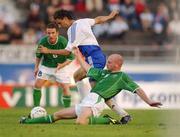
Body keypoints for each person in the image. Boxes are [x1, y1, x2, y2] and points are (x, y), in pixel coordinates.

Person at [20, 49, 162, 125]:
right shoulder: (104, 73)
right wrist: (78, 56)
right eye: (108, 61)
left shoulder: (122, 77)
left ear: (118, 64)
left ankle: (108, 120)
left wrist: (149, 102)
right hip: (88, 100)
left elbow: (138, 89)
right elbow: (87, 69)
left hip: (97, 101)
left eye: (110, 62)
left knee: (80, 122)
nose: (107, 63)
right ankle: (27, 121)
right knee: (56, 116)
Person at [38, 10, 131, 123]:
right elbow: (98, 20)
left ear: (65, 18)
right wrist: (110, 16)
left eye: (59, 23)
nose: (59, 26)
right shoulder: (83, 21)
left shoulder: (72, 30)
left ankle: (122, 114)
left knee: (98, 90)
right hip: (95, 57)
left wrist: (48, 51)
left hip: (94, 59)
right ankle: (84, 104)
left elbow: (67, 52)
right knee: (77, 76)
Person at [33, 22, 74, 108]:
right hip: (46, 67)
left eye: (53, 33)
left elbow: (71, 57)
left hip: (60, 68)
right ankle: (35, 108)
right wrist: (36, 67)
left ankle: (67, 111)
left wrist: (62, 65)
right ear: (46, 33)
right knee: (37, 85)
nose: (50, 35)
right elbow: (38, 56)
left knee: (66, 88)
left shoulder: (63, 42)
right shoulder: (43, 41)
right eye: (48, 33)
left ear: (57, 33)